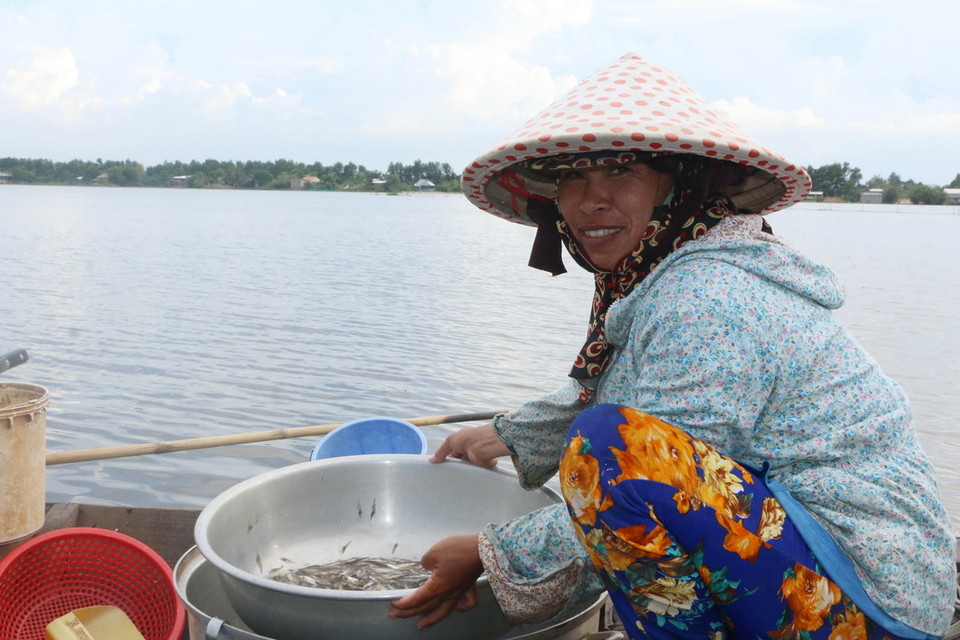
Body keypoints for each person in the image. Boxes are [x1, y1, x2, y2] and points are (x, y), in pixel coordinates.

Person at [388, 53, 956, 639]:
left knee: (610, 447)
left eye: (622, 173)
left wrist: (486, 554)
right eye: (574, 177)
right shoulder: (660, 274)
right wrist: (503, 437)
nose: (590, 200)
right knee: (611, 437)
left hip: (866, 601)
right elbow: (628, 394)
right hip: (818, 564)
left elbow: (644, 477)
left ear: (679, 185)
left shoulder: (707, 296)